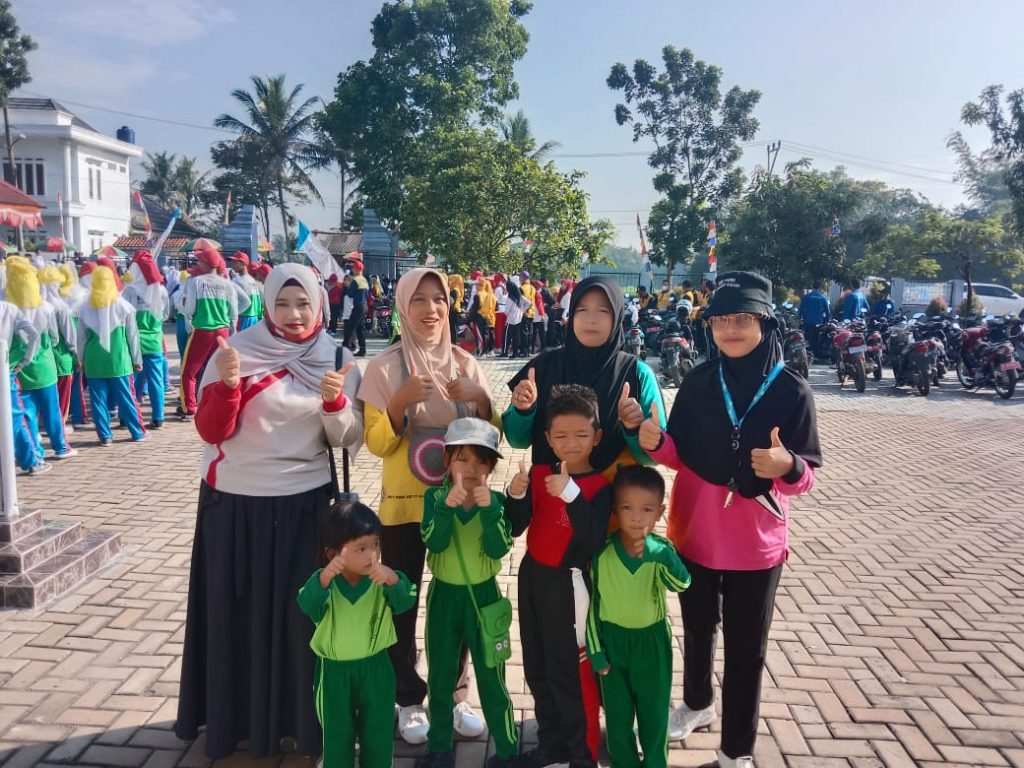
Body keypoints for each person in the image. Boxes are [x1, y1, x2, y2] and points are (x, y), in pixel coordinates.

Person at [176, 263, 365, 761]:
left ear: (320, 304)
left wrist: (334, 405)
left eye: (303, 303)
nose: (293, 314)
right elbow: (211, 431)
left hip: (305, 506)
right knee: (235, 618)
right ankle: (235, 724)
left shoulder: (337, 358)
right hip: (234, 506)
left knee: (302, 622)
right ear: (266, 304)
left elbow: (349, 440)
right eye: (282, 303)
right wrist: (229, 385)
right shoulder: (236, 351)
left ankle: (303, 726)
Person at [639, 271, 822, 768]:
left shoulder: (791, 391)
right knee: (697, 629)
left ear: (765, 322)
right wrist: (655, 443)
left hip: (755, 546)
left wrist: (787, 466)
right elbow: (678, 455)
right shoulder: (699, 382)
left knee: (747, 650)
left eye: (742, 319)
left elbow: (805, 477)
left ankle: (736, 749)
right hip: (694, 534)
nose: (730, 330)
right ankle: (697, 704)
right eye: (720, 320)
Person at [357, 267, 496, 745]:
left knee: (460, 602)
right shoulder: (384, 368)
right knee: (400, 604)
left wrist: (480, 399)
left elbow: (491, 439)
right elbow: (377, 443)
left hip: (460, 507)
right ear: (402, 306)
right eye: (419, 299)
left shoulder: (465, 362)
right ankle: (408, 698)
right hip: (404, 509)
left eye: (439, 299)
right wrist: (399, 402)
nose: (431, 308)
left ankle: (454, 694)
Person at [505, 385, 613, 768]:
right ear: (548, 439)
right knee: (537, 665)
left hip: (570, 584)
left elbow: (593, 540)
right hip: (533, 577)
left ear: (596, 437)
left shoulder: (600, 486)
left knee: (571, 670)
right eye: (561, 436)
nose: (571, 444)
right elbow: (515, 527)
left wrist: (572, 494)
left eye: (581, 435)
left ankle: (582, 754)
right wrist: (516, 495)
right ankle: (551, 745)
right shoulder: (539, 474)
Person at [418, 418, 519, 768]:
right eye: (462, 459)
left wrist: (490, 510)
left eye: (481, 461)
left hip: (485, 598)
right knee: (440, 675)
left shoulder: (496, 502)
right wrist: (445, 508)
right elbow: (433, 541)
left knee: (493, 677)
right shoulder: (434, 497)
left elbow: (499, 548)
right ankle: (439, 746)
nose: (472, 469)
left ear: (491, 467)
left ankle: (507, 749)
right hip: (444, 598)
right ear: (447, 461)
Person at [504, 276, 666, 482]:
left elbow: (652, 458)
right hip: (550, 494)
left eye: (603, 311)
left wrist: (634, 428)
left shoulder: (637, 373)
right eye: (582, 310)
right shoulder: (542, 367)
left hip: (611, 497)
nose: (591, 319)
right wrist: (523, 410)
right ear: (572, 315)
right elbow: (517, 441)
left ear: (616, 316)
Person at [297, 500, 416, 768]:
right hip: (334, 675)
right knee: (337, 738)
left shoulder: (382, 580)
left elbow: (405, 602)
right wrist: (323, 580)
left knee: (378, 735)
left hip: (377, 670)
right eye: (361, 548)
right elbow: (307, 605)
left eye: (376, 544)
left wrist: (393, 579)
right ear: (332, 554)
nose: (372, 554)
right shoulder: (324, 585)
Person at [586, 465, 691, 768]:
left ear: (659, 513)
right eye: (627, 508)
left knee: (653, 715)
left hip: (652, 644)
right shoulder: (603, 554)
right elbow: (593, 606)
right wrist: (596, 651)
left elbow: (682, 583)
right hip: (613, 643)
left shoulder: (661, 550)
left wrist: (664, 556)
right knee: (618, 718)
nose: (636, 517)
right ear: (615, 510)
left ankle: (655, 763)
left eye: (646, 509)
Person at [6, 257, 76, 459]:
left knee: (28, 412)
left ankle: (36, 451)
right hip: (45, 366)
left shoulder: (9, 309)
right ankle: (60, 447)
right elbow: (54, 338)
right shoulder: (45, 307)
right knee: (52, 409)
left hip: (20, 368)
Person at [76, 266, 147, 445]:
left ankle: (105, 436)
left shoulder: (85, 307)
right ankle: (137, 432)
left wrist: (81, 359)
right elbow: (132, 336)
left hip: (94, 360)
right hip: (119, 360)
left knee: (98, 400)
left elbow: (81, 339)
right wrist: (137, 359)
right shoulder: (123, 306)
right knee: (126, 398)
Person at [178, 249, 238, 421]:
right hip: (223, 331)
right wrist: (232, 332)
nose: (197, 264)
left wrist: (189, 324)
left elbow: (189, 309)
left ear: (205, 263)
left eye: (199, 261)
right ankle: (219, 404)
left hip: (202, 330)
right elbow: (233, 313)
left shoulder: (196, 282)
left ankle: (190, 408)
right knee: (220, 370)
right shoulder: (227, 284)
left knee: (189, 372)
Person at [123, 250, 170, 429]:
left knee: (133, 382)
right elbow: (166, 315)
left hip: (134, 344)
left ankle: (128, 416)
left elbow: (124, 318)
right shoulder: (161, 290)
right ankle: (158, 417)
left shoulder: (130, 290)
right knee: (156, 382)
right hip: (155, 342)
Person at [0, 298, 47, 474]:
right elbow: (33, 334)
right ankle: (30, 461)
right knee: (15, 417)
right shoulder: (9, 309)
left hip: (6, 369)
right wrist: (25, 360)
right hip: (4, 370)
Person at [229, 252, 264, 331]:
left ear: (243, 264)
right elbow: (259, 302)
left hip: (242, 318)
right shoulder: (252, 281)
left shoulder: (237, 281)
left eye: (236, 263)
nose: (233, 265)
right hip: (255, 319)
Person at [343, 258, 369, 356]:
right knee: (360, 328)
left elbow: (350, 294)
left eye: (353, 268)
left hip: (358, 306)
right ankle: (362, 349)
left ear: (357, 269)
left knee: (350, 327)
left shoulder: (356, 280)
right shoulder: (364, 280)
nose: (352, 270)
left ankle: (345, 348)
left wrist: (349, 288)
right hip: (365, 306)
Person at [467, 277, 496, 357]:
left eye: (477, 284)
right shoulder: (488, 294)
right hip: (487, 317)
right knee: (486, 334)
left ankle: (481, 352)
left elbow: (475, 308)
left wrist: (470, 319)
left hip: (479, 317)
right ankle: (485, 351)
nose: (476, 286)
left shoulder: (478, 295)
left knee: (479, 335)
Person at [499, 276, 524, 358]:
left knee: (506, 337)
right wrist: (522, 311)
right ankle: (515, 353)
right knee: (516, 337)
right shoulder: (520, 297)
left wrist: (508, 315)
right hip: (519, 318)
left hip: (511, 320)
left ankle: (505, 352)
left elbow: (506, 311)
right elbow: (528, 303)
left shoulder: (510, 298)